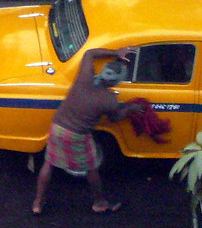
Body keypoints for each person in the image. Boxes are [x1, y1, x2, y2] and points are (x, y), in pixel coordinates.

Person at [32, 47, 143, 216]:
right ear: (115, 83)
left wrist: (116, 53)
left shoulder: (84, 77)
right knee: (91, 168)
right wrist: (131, 109)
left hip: (58, 127)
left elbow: (89, 53)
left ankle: (37, 203)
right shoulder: (109, 100)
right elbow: (115, 118)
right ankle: (99, 203)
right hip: (77, 135)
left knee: (49, 163)